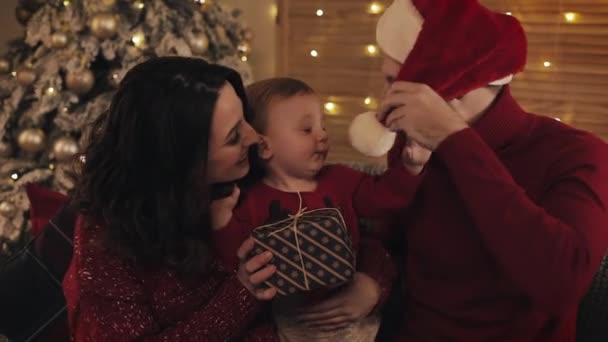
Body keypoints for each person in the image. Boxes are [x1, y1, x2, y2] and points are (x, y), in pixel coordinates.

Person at [373, 0, 608, 340]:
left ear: (452, 85)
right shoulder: (412, 143)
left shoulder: (578, 155)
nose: (384, 100)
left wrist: (455, 141)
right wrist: (369, 279)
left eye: (395, 82)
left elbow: (562, 284)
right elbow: (390, 235)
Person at [62, 57, 279, 341]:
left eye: (245, 120)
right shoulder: (108, 237)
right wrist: (242, 294)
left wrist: (359, 290)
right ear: (181, 160)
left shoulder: (246, 175)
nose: (253, 137)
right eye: (233, 136)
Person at [210, 77, 414, 341]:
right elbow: (233, 259)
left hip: (354, 317)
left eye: (323, 125)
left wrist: (411, 168)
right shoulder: (252, 201)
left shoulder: (341, 180)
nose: (323, 135)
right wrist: (221, 220)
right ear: (264, 146)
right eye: (307, 129)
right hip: (290, 322)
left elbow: (385, 198)